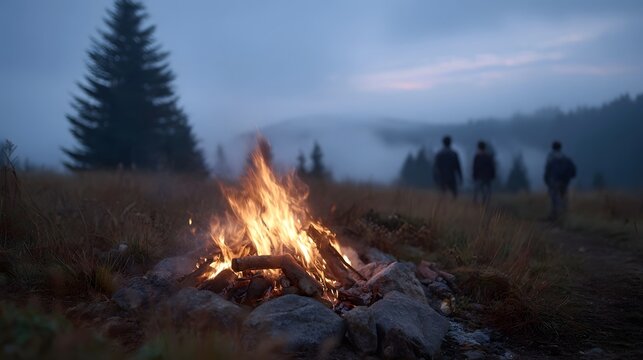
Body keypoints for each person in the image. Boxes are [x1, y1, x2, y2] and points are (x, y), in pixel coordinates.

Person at [544, 141, 576, 220]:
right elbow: (572, 170)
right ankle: (565, 214)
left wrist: (546, 180)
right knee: (563, 196)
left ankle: (555, 215)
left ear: (553, 147)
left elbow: (547, 170)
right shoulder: (565, 157)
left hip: (554, 180)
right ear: (560, 147)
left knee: (554, 197)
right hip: (565, 181)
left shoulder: (551, 157)